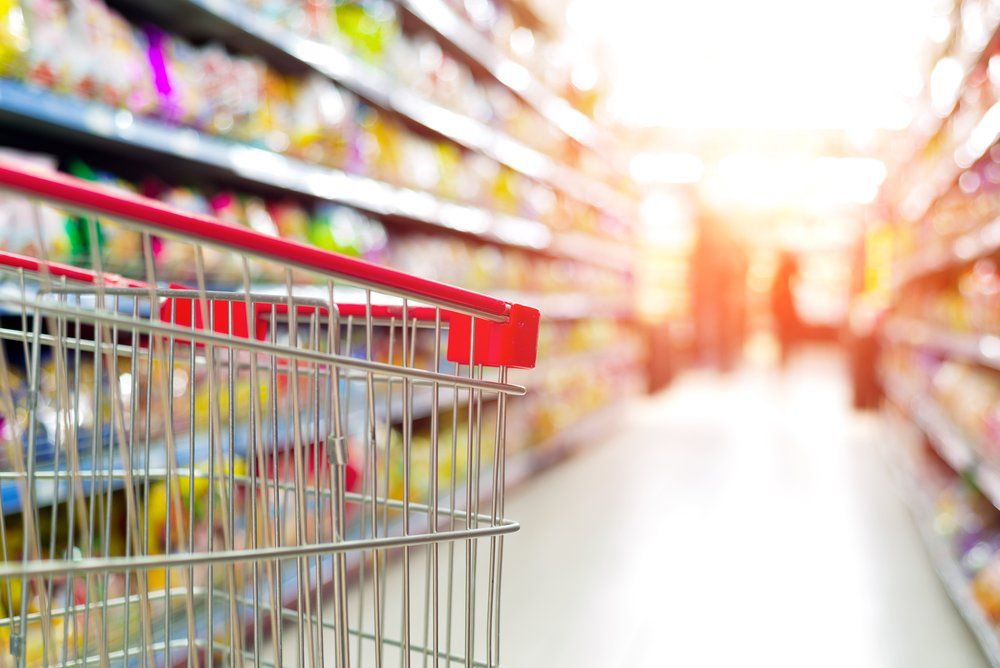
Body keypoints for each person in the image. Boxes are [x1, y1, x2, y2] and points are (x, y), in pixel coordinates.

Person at [770, 250, 801, 366]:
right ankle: (784, 357)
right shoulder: (782, 281)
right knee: (784, 337)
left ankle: (785, 357)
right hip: (783, 314)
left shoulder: (783, 280)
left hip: (785, 313)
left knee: (785, 337)